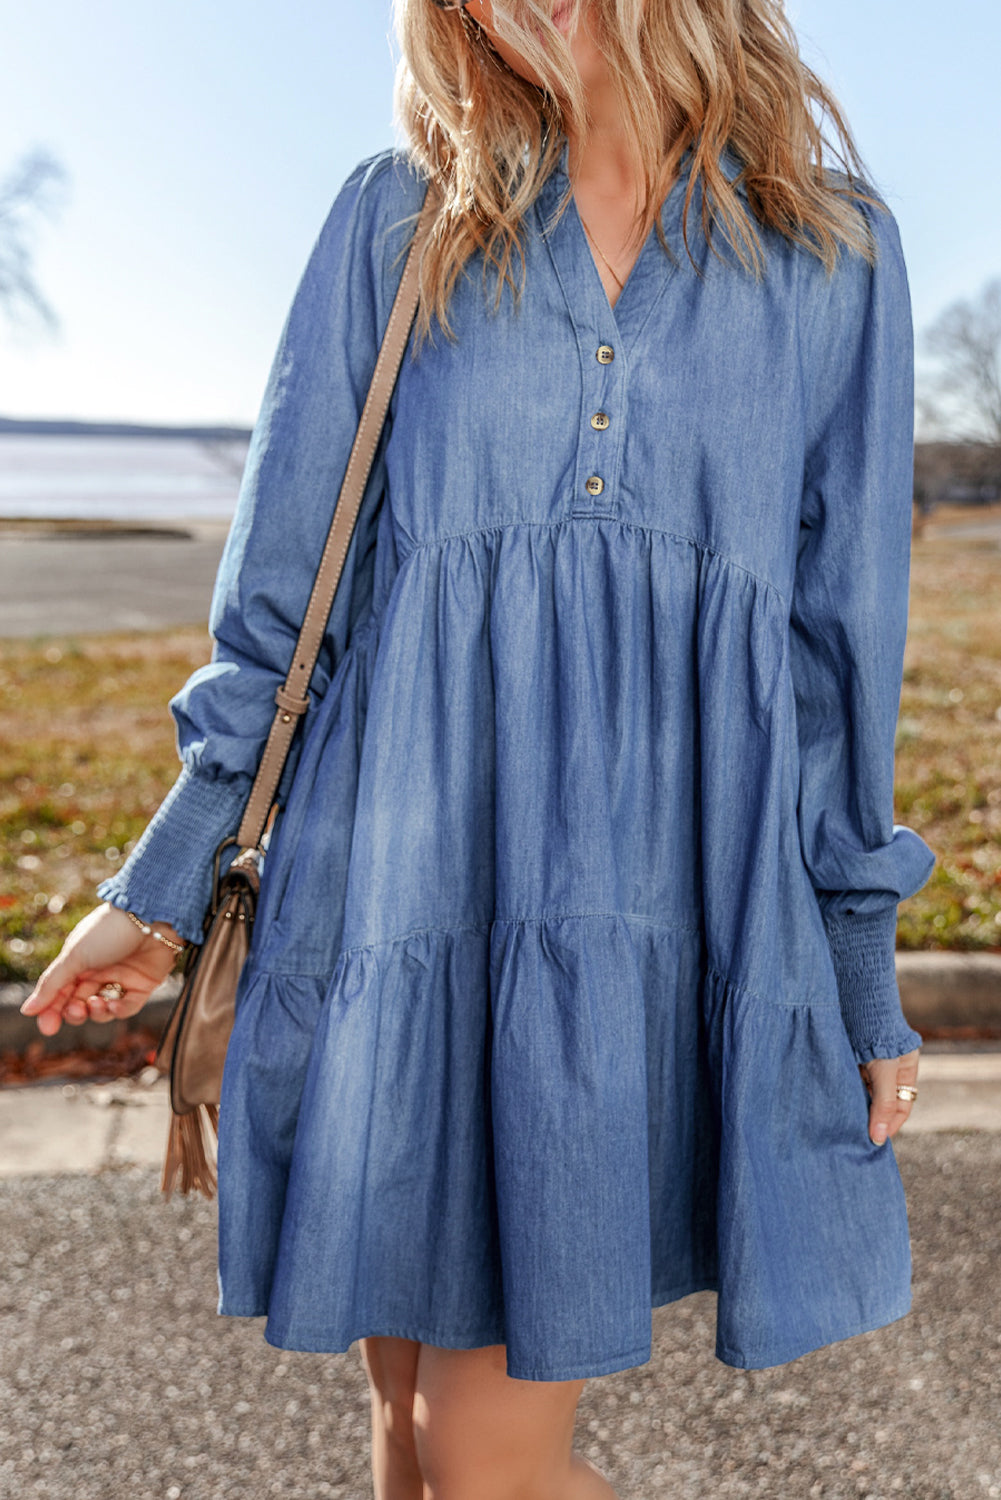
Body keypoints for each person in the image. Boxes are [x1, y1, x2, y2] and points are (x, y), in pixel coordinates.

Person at [20, 1, 936, 1495]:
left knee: (484, 1465)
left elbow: (842, 642)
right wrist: (164, 883)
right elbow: (286, 590)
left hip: (637, 894)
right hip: (390, 883)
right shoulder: (400, 216)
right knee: (409, 1433)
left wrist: (853, 963)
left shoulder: (829, 248)